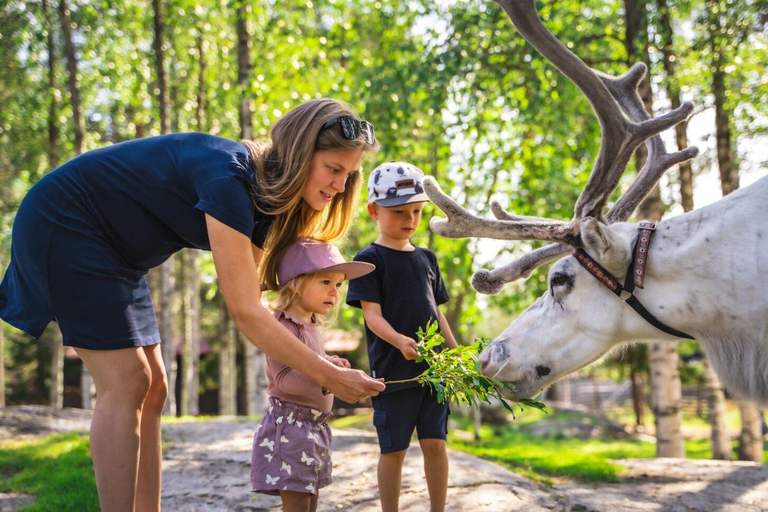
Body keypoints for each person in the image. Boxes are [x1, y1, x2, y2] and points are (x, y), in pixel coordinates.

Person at [0, 99, 386, 512]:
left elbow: (254, 300)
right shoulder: (229, 179)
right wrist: (326, 373)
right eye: (333, 169)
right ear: (297, 154)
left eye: (349, 174)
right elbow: (243, 311)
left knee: (154, 389)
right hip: (67, 221)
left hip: (119, 255)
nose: (341, 186)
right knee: (128, 381)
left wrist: (320, 363)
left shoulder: (266, 202)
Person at [346, 162, 458, 512]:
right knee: (393, 450)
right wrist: (399, 342)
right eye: (399, 212)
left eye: (416, 211)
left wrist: (456, 354)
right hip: (392, 376)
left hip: (434, 375)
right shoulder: (368, 260)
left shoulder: (427, 259)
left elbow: (437, 313)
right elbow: (372, 317)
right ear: (373, 211)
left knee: (436, 445)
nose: (409, 219)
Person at [251, 238, 375, 512]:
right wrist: (327, 380)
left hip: (315, 427)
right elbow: (285, 378)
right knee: (298, 504)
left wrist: (331, 365)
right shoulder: (283, 325)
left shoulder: (312, 323)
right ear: (296, 281)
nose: (334, 292)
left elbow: (311, 364)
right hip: (291, 430)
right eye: (325, 282)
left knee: (311, 501)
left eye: (339, 284)